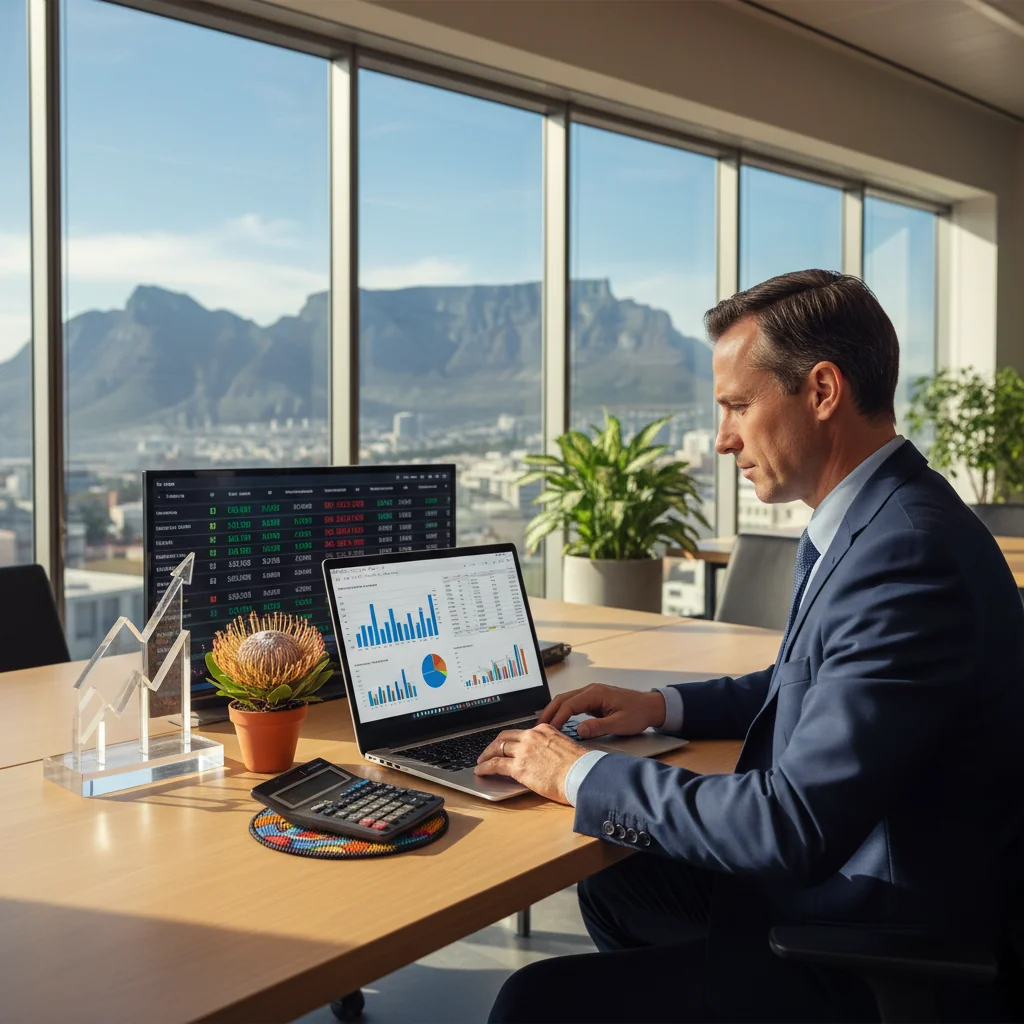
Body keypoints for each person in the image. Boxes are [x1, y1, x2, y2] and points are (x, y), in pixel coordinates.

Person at [476, 270, 1024, 1023]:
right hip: (862, 876)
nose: (723, 437)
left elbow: (789, 825)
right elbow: (811, 680)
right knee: (619, 883)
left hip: (876, 928)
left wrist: (579, 774)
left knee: (533, 1002)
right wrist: (660, 705)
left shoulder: (907, 555)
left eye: (737, 405)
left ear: (822, 391)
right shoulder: (880, 517)